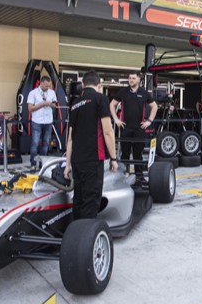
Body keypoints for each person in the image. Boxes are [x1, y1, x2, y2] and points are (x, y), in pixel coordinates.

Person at [63, 71, 118, 220]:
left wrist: (67, 165)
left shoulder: (75, 104)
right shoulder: (101, 99)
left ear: (83, 85)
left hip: (76, 161)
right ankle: (85, 239)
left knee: (79, 200)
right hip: (93, 159)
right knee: (91, 202)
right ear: (99, 85)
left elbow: (70, 139)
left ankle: (75, 234)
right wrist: (113, 158)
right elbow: (107, 131)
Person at [110, 71, 157, 184]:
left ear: (138, 80)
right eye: (129, 78)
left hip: (139, 129)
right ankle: (123, 176)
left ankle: (139, 177)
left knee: (138, 155)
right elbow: (112, 104)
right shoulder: (123, 92)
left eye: (133, 78)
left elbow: (154, 106)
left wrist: (149, 121)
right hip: (125, 128)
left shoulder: (144, 93)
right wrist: (116, 119)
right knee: (125, 154)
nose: (130, 80)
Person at [27, 76, 58, 169]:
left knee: (46, 143)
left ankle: (42, 164)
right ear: (41, 83)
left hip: (48, 121)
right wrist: (42, 104)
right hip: (37, 121)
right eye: (46, 86)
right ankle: (33, 164)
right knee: (35, 143)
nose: (47, 88)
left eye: (49, 86)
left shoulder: (52, 93)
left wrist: (51, 104)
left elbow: (55, 106)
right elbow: (30, 108)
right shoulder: (33, 93)